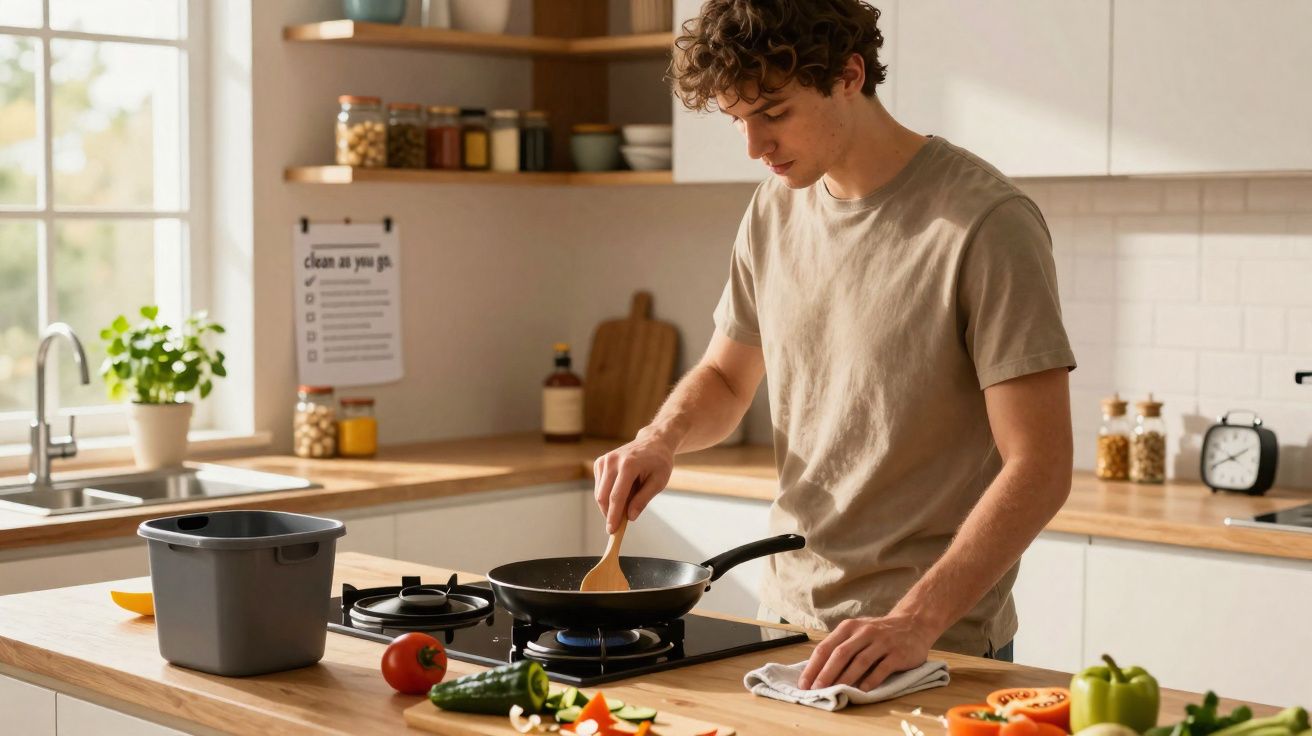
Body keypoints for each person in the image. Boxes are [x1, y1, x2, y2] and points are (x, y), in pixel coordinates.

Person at [592, 0, 1076, 690]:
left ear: (849, 76)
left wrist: (912, 622)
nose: (755, 147)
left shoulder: (986, 222)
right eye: (737, 120)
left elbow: (1040, 466)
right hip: (787, 626)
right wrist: (659, 439)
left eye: (773, 112)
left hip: (927, 646)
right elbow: (727, 379)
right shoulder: (774, 207)